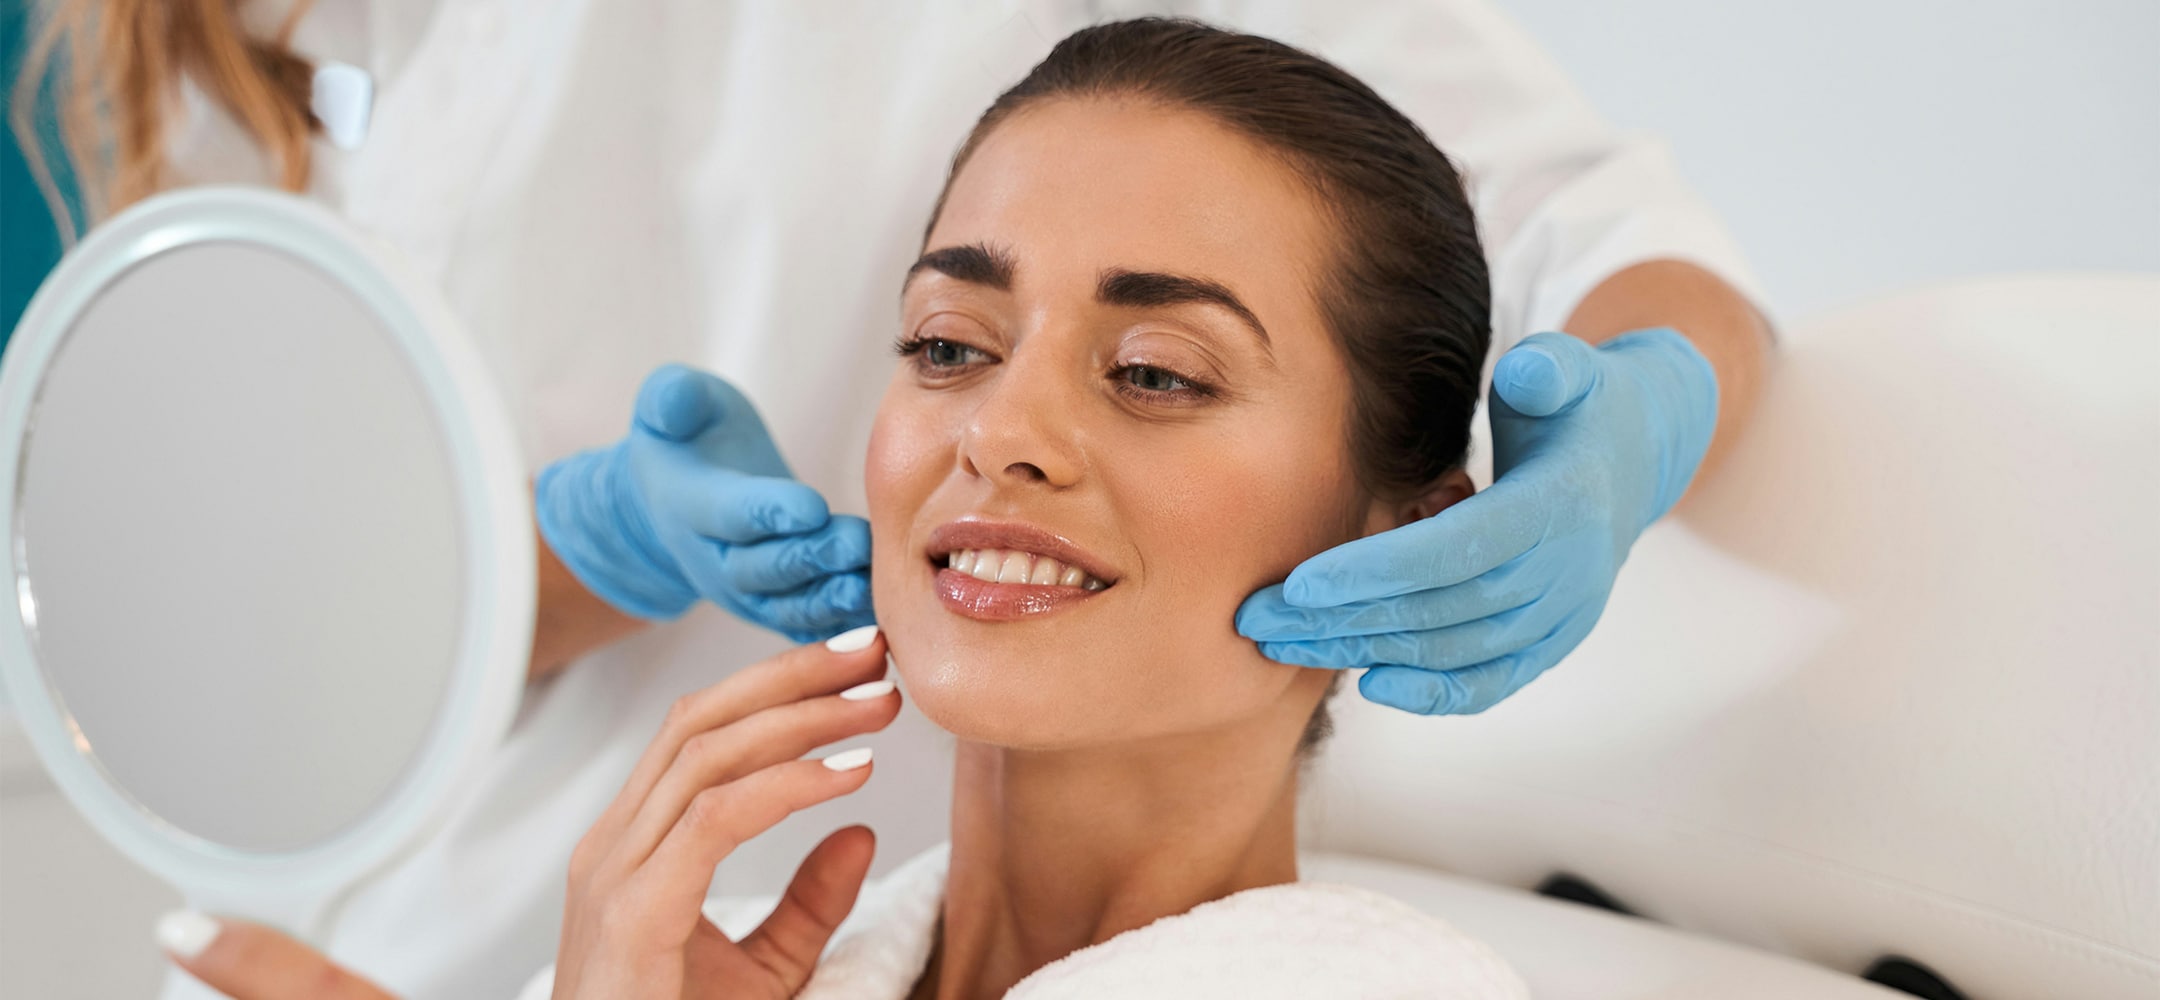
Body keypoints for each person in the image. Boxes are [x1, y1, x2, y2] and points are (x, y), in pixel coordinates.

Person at [16, 2, 1769, 997]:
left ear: (1397, 521)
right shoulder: (854, 965)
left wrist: (1629, 432)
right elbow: (292, 575)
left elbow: (1621, 244)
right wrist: (541, 549)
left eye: (1155, 373)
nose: (996, 433)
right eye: (938, 343)